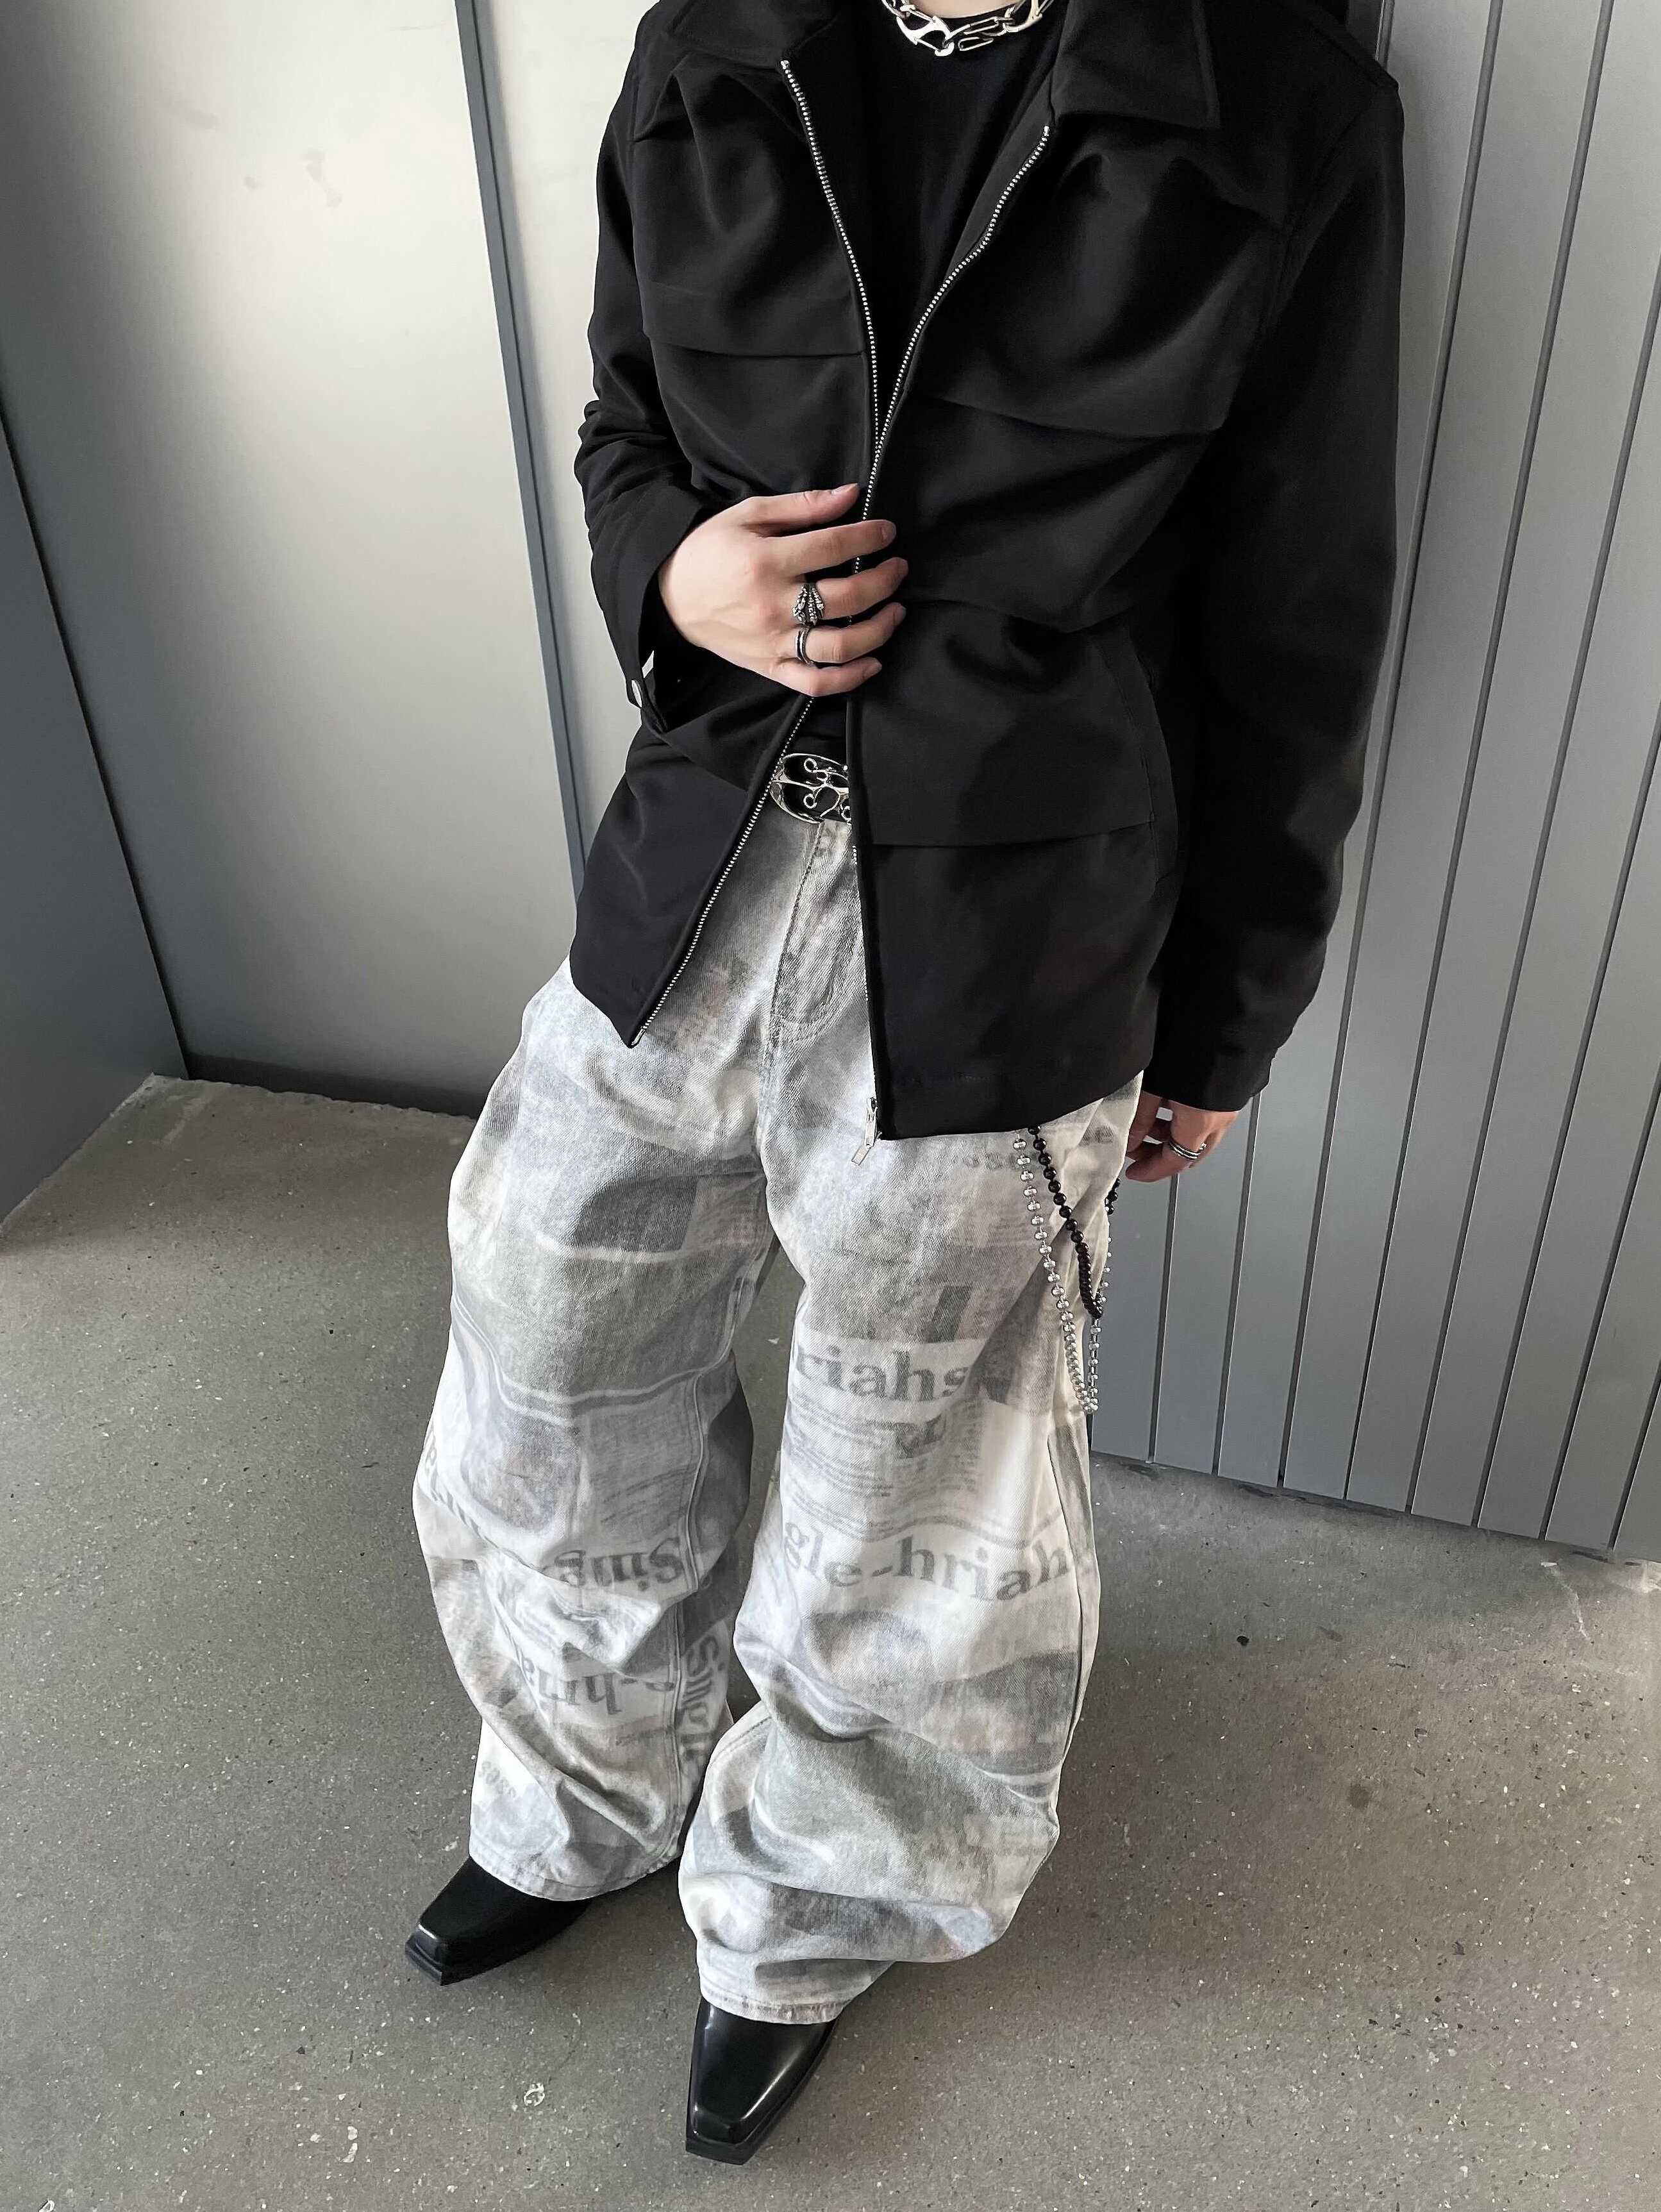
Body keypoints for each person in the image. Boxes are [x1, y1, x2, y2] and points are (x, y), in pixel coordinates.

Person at [408, 0, 1404, 2165]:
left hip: (1014, 925)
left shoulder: (1279, 107)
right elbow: (625, 420)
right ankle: (589, 1788)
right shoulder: (714, 41)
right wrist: (676, 569)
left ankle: (805, 1912)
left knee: (918, 1475)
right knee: (547, 1332)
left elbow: (1300, 602)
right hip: (697, 862)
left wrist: (1225, 1014)